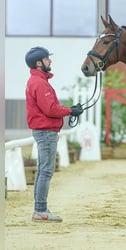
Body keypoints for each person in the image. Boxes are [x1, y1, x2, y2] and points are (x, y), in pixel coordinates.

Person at [25, 46, 83, 222]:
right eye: (47, 59)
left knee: (44, 170)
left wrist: (69, 111)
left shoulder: (37, 81)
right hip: (46, 132)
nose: (50, 61)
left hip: (44, 131)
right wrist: (70, 111)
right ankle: (40, 210)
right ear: (39, 63)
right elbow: (50, 109)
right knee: (46, 171)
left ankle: (40, 209)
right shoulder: (39, 83)